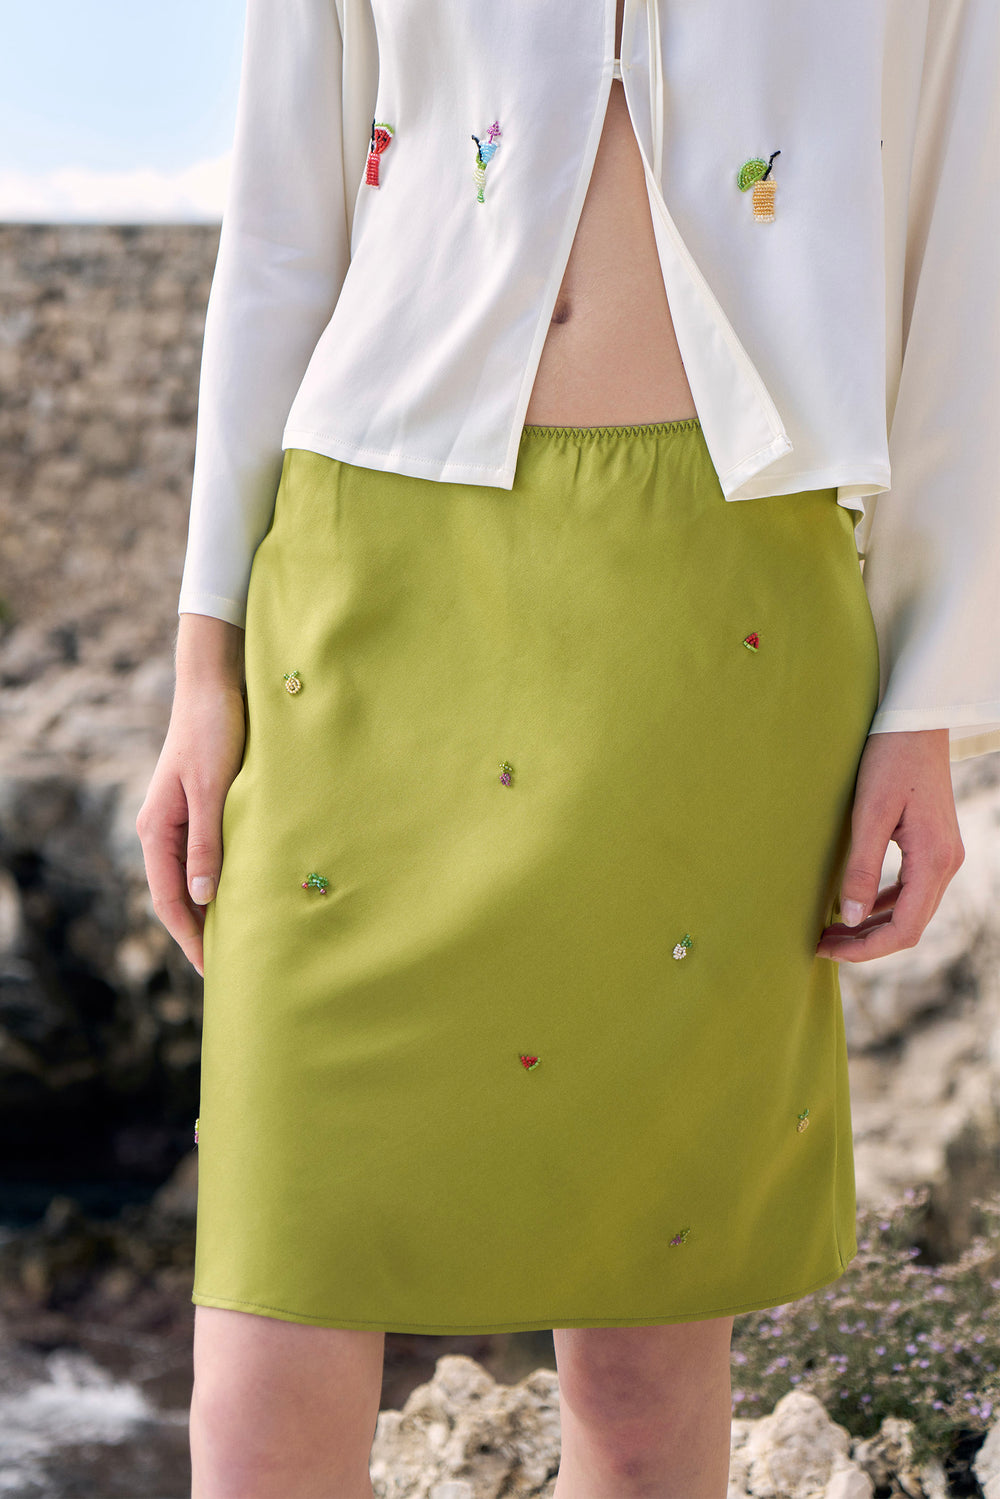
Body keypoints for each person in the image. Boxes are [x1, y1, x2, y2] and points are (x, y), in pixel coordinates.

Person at [136, 0, 1000, 1495]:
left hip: (722, 608)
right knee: (264, 1354)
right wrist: (202, 659)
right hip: (362, 586)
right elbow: (278, 233)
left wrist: (922, 704)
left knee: (647, 1375)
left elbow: (966, 260)